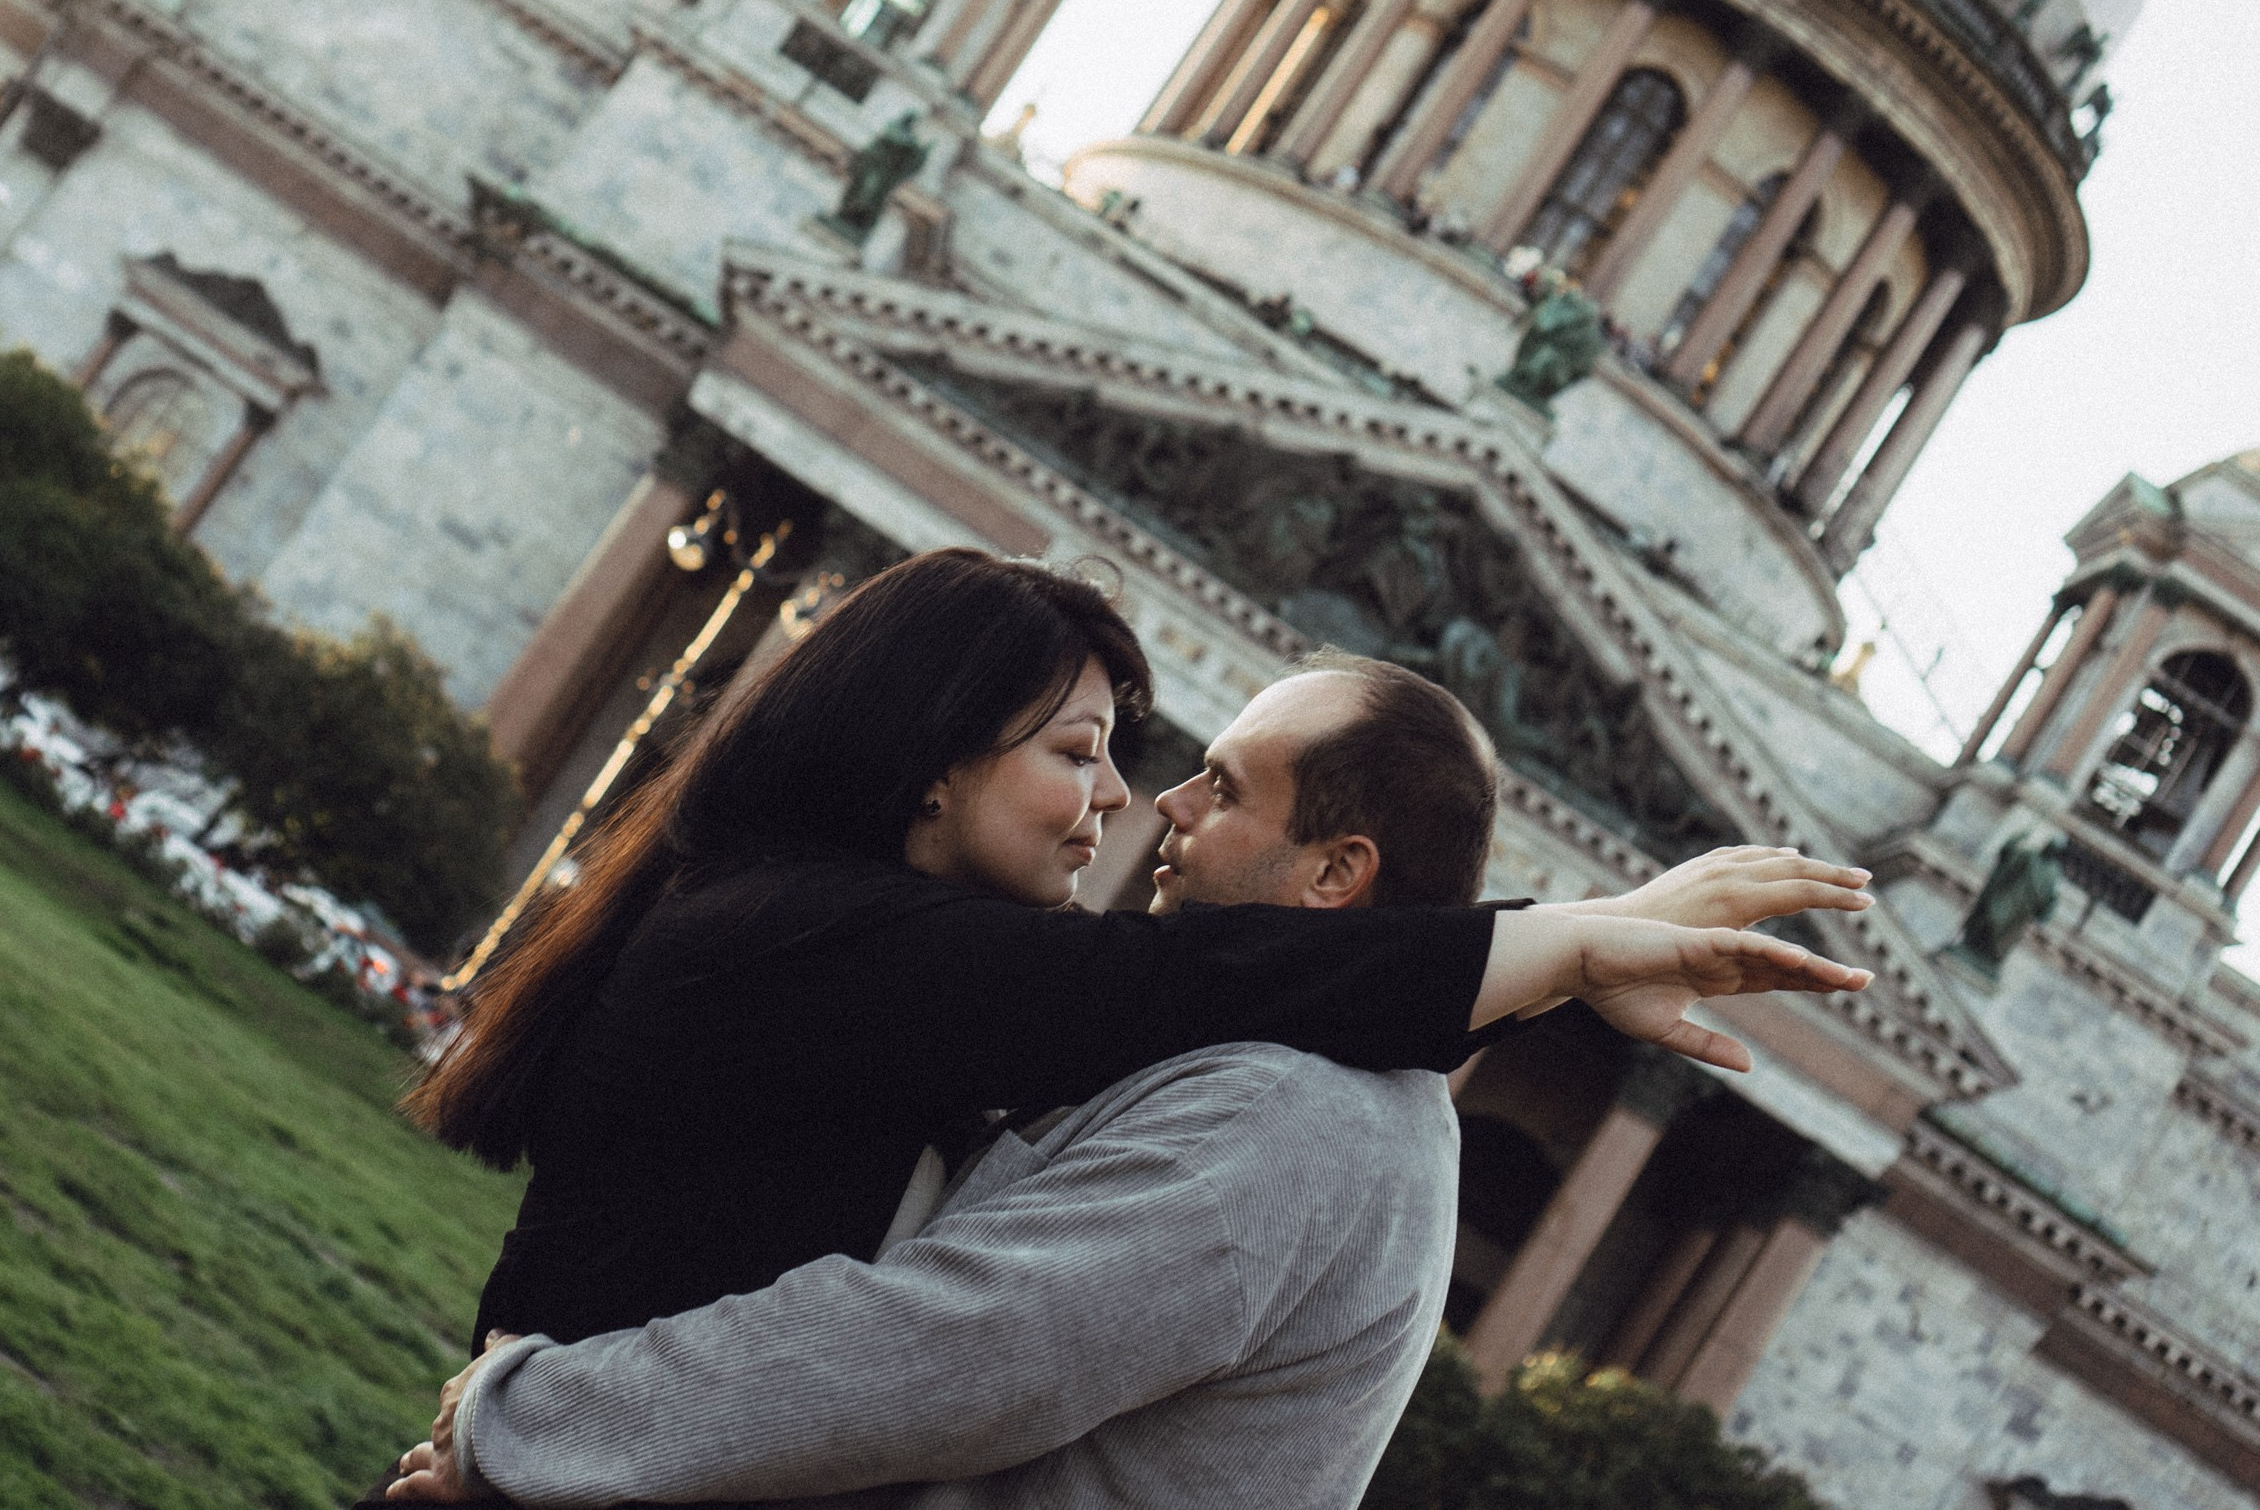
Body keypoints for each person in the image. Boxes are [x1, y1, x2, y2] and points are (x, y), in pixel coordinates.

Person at [361, 551, 1868, 1501]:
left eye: (1204, 780)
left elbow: (957, 1347)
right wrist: (1550, 949)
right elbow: (1186, 992)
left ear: (1343, 874)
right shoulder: (835, 938)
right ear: (926, 766)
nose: (1143, 806)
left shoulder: (1304, 1109)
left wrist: (524, 1423)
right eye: (1085, 753)